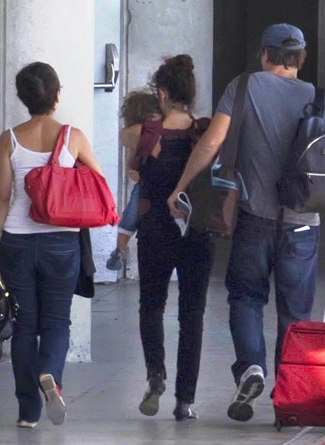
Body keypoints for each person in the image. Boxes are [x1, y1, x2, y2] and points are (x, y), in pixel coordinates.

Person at [167, 23, 325, 422]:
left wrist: (181, 187)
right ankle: (286, 401)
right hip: (303, 226)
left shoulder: (243, 87)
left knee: (245, 298)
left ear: (264, 55)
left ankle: (251, 367)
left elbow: (211, 143)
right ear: (300, 59)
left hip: (254, 220)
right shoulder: (322, 101)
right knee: (295, 314)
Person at [0, 61, 104, 428]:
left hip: (16, 242)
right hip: (61, 242)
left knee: (24, 326)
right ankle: (50, 373)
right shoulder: (73, 137)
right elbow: (97, 180)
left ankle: (28, 412)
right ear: (56, 95)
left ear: (24, 97)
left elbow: (1, 196)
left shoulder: (10, 138)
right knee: (56, 321)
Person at [120, 54, 216, 421]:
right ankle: (185, 401)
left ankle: (155, 375)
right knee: (192, 314)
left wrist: (148, 129)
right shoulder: (204, 133)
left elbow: (124, 137)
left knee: (151, 305)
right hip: (197, 232)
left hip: (155, 231)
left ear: (161, 93)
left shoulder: (145, 133)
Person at [106, 90, 162, 271]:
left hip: (150, 184)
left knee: (131, 213)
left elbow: (131, 163)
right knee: (131, 212)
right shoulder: (149, 131)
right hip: (156, 184)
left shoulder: (137, 133)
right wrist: (133, 171)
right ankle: (119, 251)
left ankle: (119, 250)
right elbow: (132, 164)